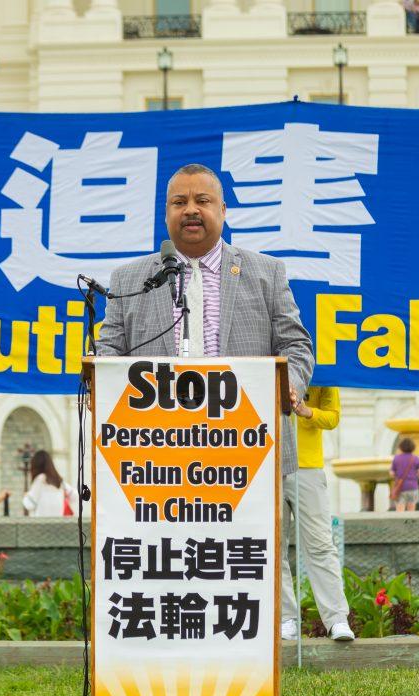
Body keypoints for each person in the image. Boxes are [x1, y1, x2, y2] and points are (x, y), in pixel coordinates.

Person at [95, 163, 314, 480]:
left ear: (223, 210)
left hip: (250, 449)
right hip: (155, 456)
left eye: (202, 201)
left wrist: (287, 386)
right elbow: (109, 349)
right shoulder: (129, 279)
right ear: (166, 212)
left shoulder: (267, 273)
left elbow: (295, 344)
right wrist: (101, 386)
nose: (190, 210)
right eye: (179, 203)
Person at [281, 387, 354, 642]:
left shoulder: (326, 373)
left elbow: (333, 417)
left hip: (308, 468)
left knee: (321, 545)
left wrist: (306, 411)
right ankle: (286, 618)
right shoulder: (270, 360)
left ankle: (336, 619)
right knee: (274, 548)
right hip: (270, 462)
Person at [22, 450, 79, 517]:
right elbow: (75, 495)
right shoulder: (59, 480)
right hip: (59, 524)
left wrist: (26, 496)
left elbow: (29, 505)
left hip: (42, 524)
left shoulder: (40, 479)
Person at [389, 438, 419, 512]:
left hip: (400, 487)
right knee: (411, 511)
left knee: (400, 510)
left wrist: (397, 476)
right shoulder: (416, 458)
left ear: (401, 447)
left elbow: (391, 473)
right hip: (413, 487)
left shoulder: (396, 458)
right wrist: (414, 476)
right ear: (413, 447)